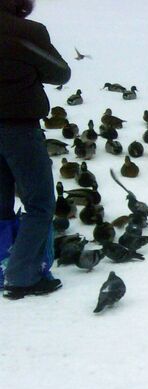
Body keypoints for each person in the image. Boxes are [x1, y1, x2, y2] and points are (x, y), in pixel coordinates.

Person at [0, 0, 71, 299]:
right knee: (40, 204)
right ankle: (21, 276)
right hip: (19, 128)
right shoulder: (27, 31)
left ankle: (4, 264)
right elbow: (59, 73)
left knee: (1, 204)